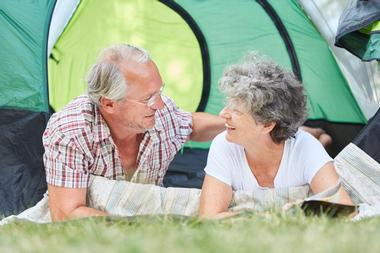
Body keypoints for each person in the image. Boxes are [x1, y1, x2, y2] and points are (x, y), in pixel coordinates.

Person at [43, 44, 225, 221]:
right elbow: (65, 216)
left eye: (159, 91)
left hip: (147, 217)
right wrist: (144, 228)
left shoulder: (160, 114)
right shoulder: (70, 132)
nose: (160, 105)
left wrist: (235, 125)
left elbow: (192, 126)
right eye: (148, 98)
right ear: (109, 104)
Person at [199, 53, 352, 218]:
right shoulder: (223, 145)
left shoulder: (304, 147)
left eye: (236, 110)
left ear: (267, 124)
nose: (222, 114)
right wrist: (271, 218)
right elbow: (209, 217)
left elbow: (344, 209)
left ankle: (320, 137)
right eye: (227, 105)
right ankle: (320, 135)